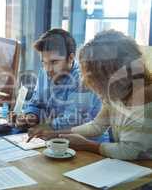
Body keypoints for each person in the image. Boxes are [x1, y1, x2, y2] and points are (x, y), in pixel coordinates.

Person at [28, 30, 152, 160]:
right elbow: (97, 126)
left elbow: (128, 151)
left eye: (92, 75)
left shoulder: (144, 101)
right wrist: (54, 134)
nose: (87, 81)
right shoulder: (118, 93)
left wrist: (87, 145)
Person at [15, 29, 102, 133]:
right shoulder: (45, 71)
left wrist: (44, 127)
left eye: (54, 62)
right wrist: (30, 116)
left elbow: (72, 120)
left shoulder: (82, 79)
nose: (48, 69)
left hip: (85, 143)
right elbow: (37, 103)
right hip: (54, 139)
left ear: (70, 58)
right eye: (44, 62)